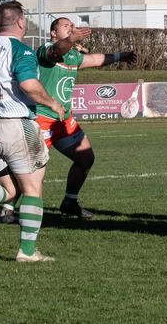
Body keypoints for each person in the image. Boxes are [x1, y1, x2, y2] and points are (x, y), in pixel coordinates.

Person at [0, 1, 66, 263]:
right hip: (15, 124)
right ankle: (27, 252)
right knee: (32, 189)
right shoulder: (21, 51)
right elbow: (28, 85)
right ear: (19, 22)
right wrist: (52, 103)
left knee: (9, 190)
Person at [36, 18, 137, 220]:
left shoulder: (73, 55)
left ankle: (69, 202)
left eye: (73, 27)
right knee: (32, 169)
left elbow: (96, 59)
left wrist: (121, 56)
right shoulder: (46, 50)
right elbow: (56, 52)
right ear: (53, 33)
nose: (72, 29)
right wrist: (72, 39)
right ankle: (8, 208)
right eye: (66, 26)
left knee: (85, 158)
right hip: (41, 118)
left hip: (63, 120)